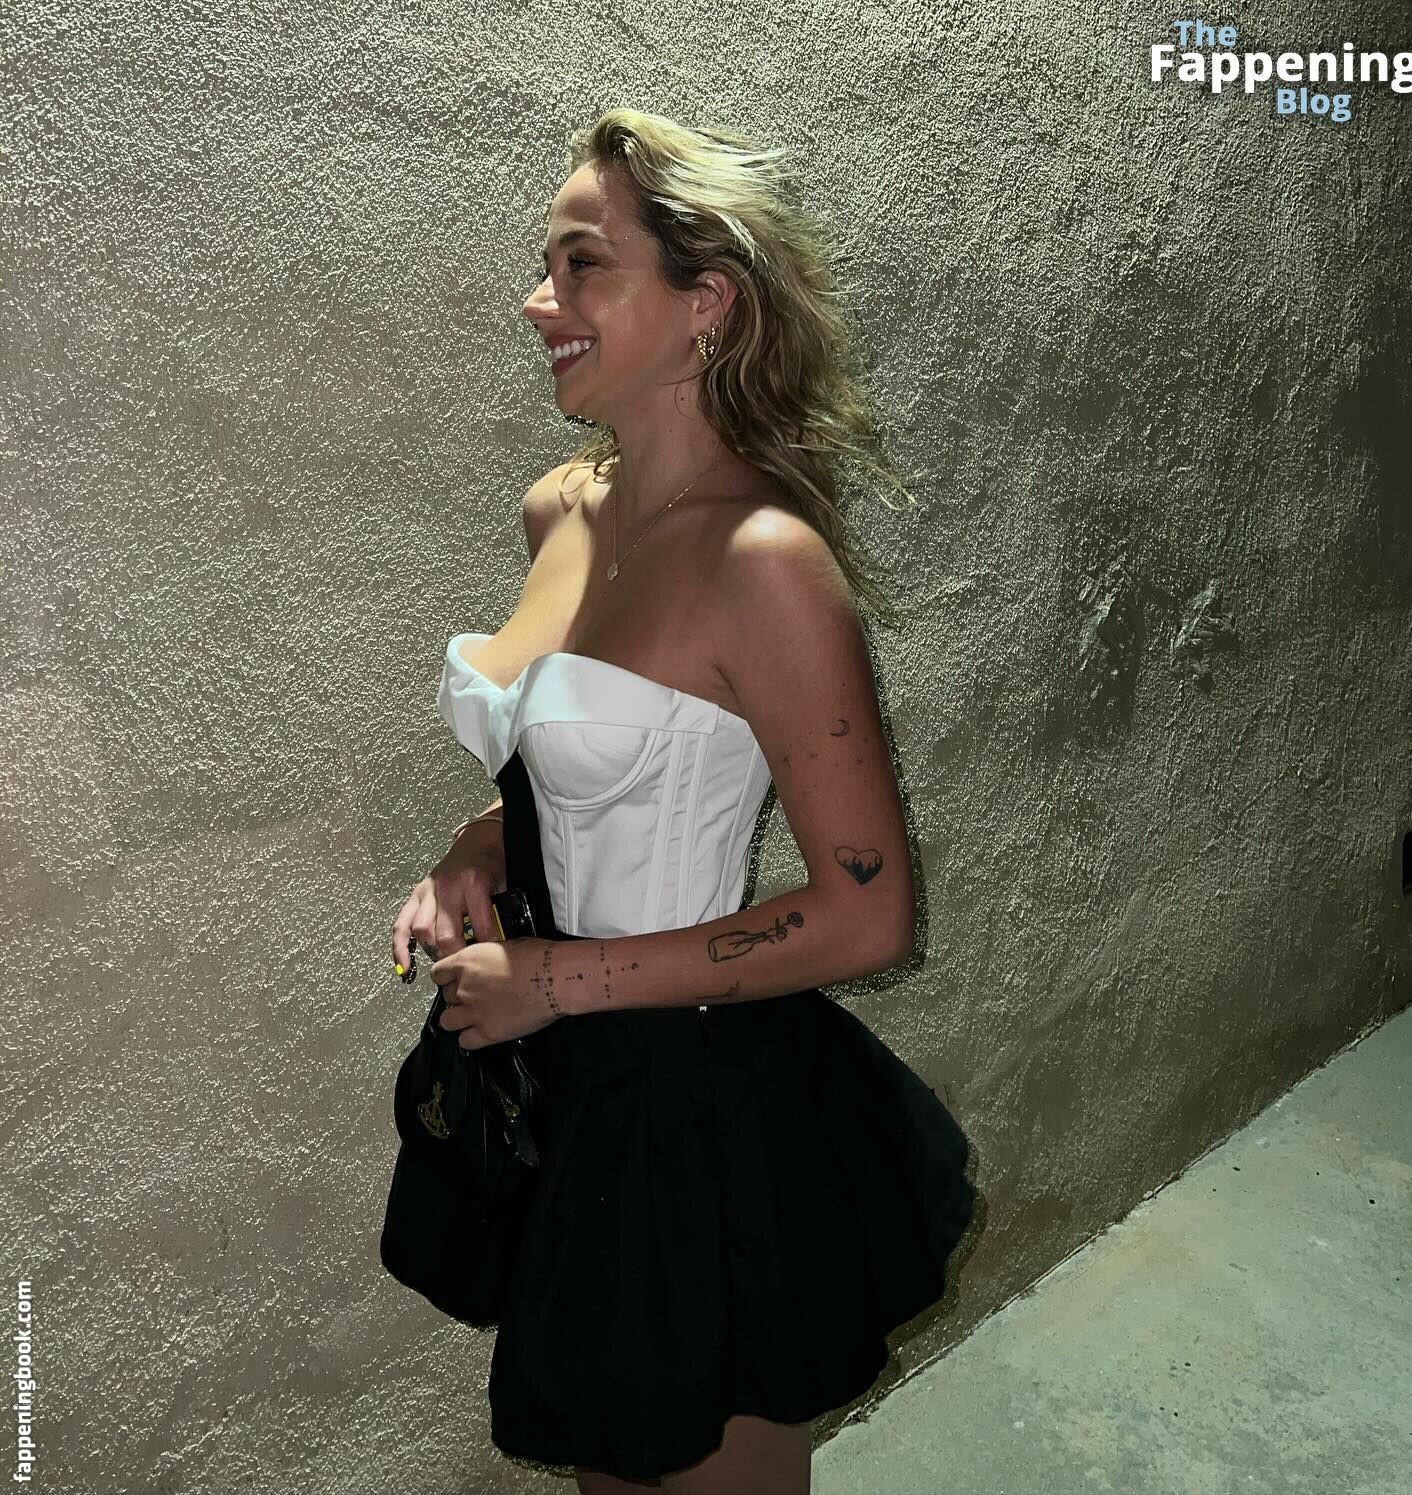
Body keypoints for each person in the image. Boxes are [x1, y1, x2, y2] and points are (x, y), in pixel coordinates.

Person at [391, 109, 975, 1495]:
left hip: (695, 1102)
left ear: (705, 301)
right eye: (547, 266)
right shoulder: (560, 509)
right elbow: (567, 746)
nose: (539, 301)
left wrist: (556, 979)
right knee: (610, 1464)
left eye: (582, 265)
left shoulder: (763, 561)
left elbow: (869, 918)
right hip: (563, 1074)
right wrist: (483, 845)